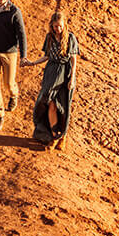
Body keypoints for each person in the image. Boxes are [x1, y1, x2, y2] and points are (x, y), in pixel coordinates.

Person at [25, 8, 80, 150]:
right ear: (52, 25)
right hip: (51, 73)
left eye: (60, 26)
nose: (58, 29)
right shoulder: (49, 37)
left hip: (65, 73)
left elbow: (73, 59)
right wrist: (32, 63)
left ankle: (63, 137)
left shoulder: (71, 38)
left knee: (63, 106)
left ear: (64, 25)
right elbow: (47, 56)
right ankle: (53, 135)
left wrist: (72, 78)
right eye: (56, 26)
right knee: (49, 103)